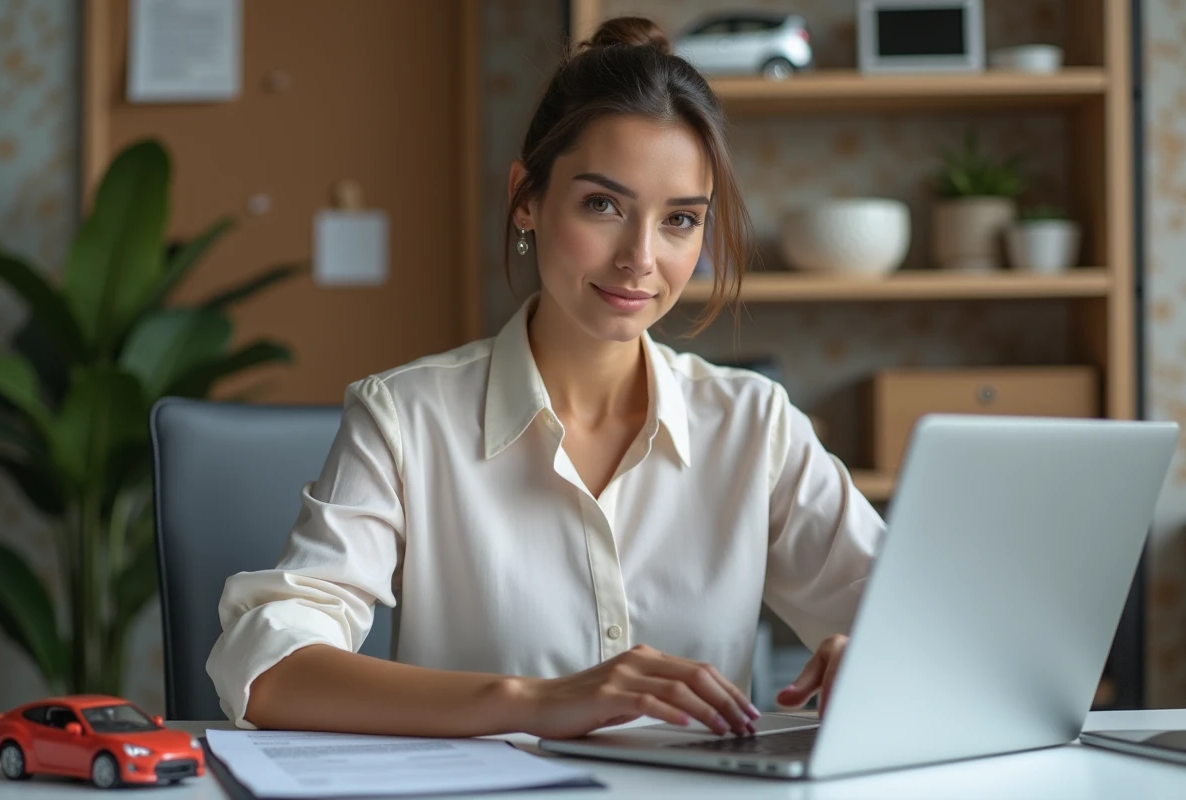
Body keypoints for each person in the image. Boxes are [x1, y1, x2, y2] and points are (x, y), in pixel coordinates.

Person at [206, 16, 885, 740]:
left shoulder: (756, 424)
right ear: (526, 198)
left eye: (680, 220)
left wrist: (879, 653)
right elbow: (267, 670)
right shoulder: (404, 418)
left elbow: (933, 627)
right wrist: (534, 703)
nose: (640, 258)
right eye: (603, 205)